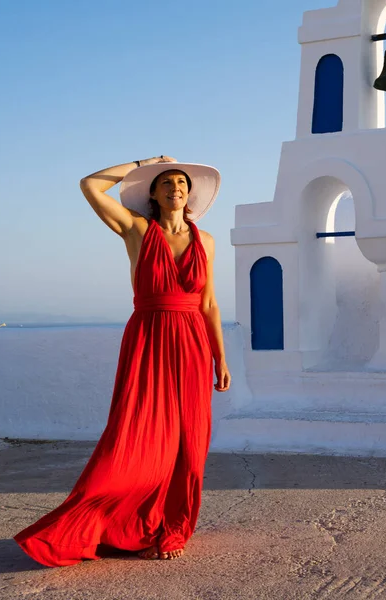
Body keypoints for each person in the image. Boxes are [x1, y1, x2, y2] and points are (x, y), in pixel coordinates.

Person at [14, 156, 231, 566]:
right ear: (152, 192)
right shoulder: (136, 229)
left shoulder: (207, 242)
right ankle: (108, 522)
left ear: (190, 193)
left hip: (192, 344)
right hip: (148, 339)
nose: (175, 188)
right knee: (136, 437)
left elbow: (210, 303)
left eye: (181, 183)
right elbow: (90, 185)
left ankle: (172, 527)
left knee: (189, 441)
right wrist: (142, 162)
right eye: (165, 182)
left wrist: (220, 357)